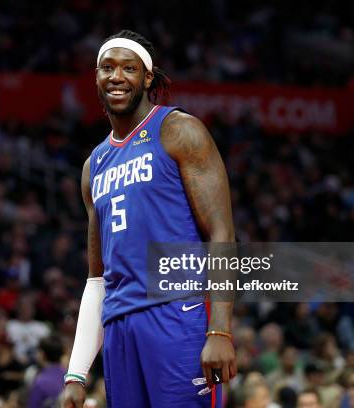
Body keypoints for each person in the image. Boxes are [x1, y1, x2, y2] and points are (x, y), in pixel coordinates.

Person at [62, 30, 236, 407]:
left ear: (149, 78)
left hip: (176, 313)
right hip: (120, 328)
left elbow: (222, 231)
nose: (116, 76)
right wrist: (77, 373)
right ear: (95, 78)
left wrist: (220, 329)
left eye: (129, 68)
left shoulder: (178, 130)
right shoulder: (95, 165)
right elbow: (97, 277)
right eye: (106, 68)